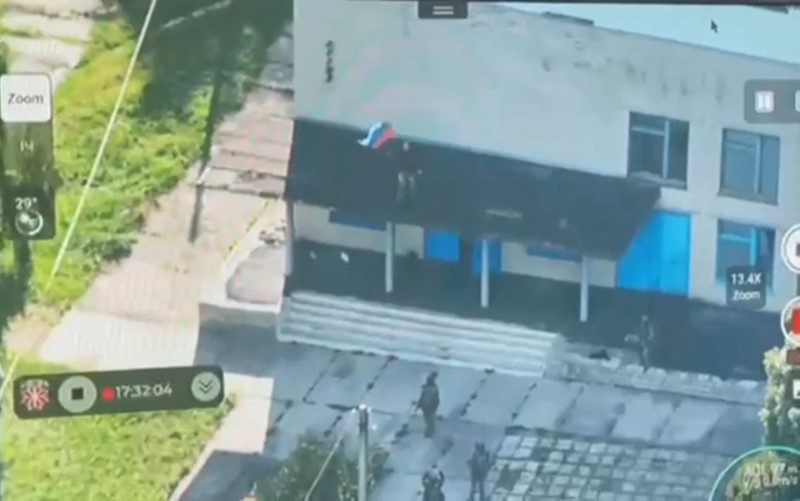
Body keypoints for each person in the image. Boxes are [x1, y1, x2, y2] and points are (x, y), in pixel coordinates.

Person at [417, 372, 440, 437]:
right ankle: (429, 432)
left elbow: (423, 397)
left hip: (428, 406)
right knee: (430, 420)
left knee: (429, 420)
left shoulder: (430, 389)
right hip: (429, 407)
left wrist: (419, 405)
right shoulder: (433, 388)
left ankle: (429, 432)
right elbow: (435, 399)